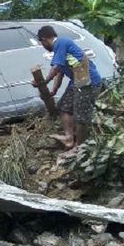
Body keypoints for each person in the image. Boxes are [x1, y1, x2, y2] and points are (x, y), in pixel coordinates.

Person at [35, 26, 103, 156]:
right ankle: (69, 138)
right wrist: (54, 91)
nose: (43, 46)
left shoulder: (61, 42)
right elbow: (60, 72)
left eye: (42, 43)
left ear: (44, 39)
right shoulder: (59, 49)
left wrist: (45, 81)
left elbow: (56, 67)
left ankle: (79, 148)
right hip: (78, 81)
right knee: (64, 106)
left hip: (88, 82)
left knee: (81, 116)